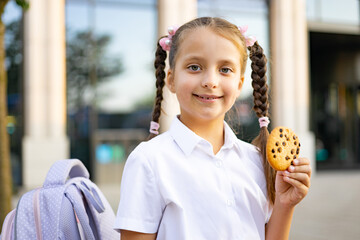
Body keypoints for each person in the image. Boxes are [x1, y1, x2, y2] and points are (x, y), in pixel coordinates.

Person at [114, 17, 311, 240]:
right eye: (194, 67)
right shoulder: (149, 161)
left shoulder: (257, 160)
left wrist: (285, 205)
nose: (210, 81)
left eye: (225, 69)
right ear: (171, 79)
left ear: (239, 84)